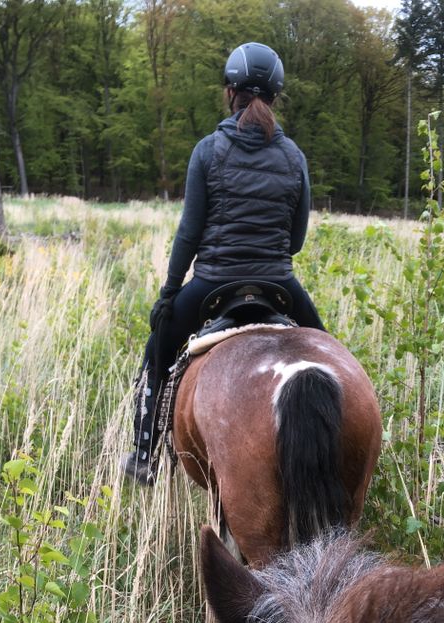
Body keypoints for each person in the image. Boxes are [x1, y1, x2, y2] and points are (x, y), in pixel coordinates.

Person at [121, 41, 325, 486]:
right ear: (274, 96)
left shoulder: (208, 150)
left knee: (158, 349)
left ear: (230, 92)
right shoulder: (294, 158)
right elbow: (296, 239)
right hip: (278, 284)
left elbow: (189, 232)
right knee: (329, 353)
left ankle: (143, 452)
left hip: (212, 282)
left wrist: (170, 292)